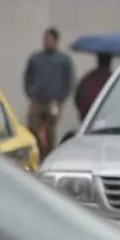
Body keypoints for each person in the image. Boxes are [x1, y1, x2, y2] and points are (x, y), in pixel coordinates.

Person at [23, 27, 75, 158]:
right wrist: (30, 93)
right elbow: (27, 77)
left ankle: (49, 155)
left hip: (54, 102)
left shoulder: (63, 60)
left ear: (56, 41)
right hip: (37, 100)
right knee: (32, 127)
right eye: (45, 39)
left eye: (50, 39)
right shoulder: (35, 58)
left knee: (50, 130)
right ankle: (34, 153)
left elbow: (68, 81)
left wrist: (60, 99)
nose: (46, 42)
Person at [74, 53, 112, 121]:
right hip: (105, 115)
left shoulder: (88, 77)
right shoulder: (113, 78)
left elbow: (78, 95)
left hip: (87, 113)